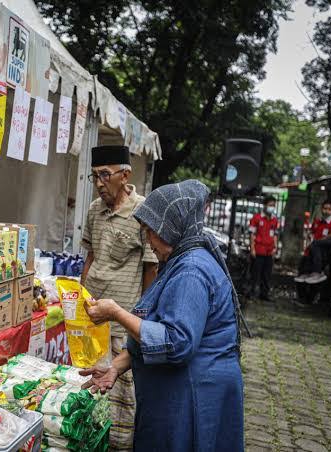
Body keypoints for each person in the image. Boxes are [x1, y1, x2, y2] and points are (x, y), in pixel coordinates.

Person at [81, 179, 244, 452]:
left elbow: (175, 342)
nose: (147, 240)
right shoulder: (177, 262)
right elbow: (155, 325)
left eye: (149, 231)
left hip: (194, 395)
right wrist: (116, 368)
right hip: (182, 391)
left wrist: (117, 313)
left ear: (169, 230)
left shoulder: (191, 271)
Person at [80, 145, 158, 451]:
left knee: (122, 400)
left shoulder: (142, 212)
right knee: (91, 387)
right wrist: (81, 297)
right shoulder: (92, 209)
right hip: (92, 319)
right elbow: (90, 255)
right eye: (94, 176)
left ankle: (119, 447)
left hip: (123, 322)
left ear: (125, 175)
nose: (99, 183)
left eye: (105, 175)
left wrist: (141, 316)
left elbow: (151, 268)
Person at [248, 196, 279, 301]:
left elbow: (275, 235)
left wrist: (275, 247)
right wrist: (252, 248)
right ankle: (252, 292)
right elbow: (252, 234)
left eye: (273, 205)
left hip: (269, 251)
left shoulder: (274, 220)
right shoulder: (256, 218)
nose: (272, 207)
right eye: (270, 205)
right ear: (265, 205)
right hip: (258, 250)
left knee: (267, 274)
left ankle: (264, 294)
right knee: (255, 273)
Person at [295, 201, 331, 280]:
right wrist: (309, 234)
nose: (326, 211)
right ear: (321, 209)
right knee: (305, 257)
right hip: (313, 249)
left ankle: (317, 272)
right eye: (325, 208)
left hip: (324, 251)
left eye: (329, 209)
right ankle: (304, 273)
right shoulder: (317, 221)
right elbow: (312, 232)